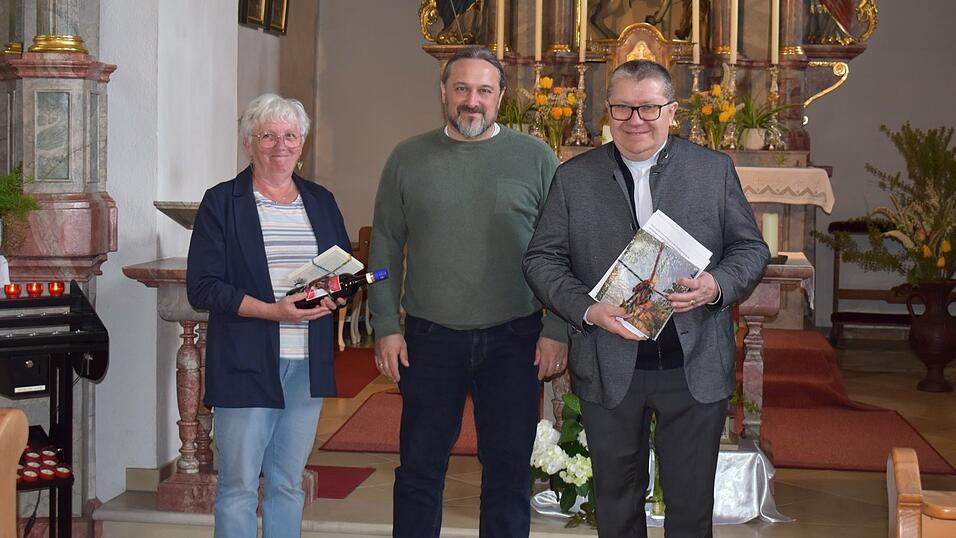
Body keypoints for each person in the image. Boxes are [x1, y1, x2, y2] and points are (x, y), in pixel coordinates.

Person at [523, 60, 769, 538]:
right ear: (607, 112)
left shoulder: (712, 170)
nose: (636, 119)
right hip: (611, 364)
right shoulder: (575, 178)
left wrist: (716, 285)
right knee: (616, 506)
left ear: (672, 111)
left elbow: (750, 248)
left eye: (650, 107)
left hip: (692, 365)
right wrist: (588, 310)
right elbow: (541, 259)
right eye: (623, 108)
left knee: (691, 508)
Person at [368, 46, 569, 538]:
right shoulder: (407, 158)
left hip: (514, 340)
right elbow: (384, 248)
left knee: (507, 472)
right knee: (418, 469)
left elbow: (566, 248)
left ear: (501, 96)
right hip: (429, 341)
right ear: (443, 94)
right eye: (461, 88)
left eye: (483, 90)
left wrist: (558, 326)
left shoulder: (535, 157)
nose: (471, 100)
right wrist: (387, 327)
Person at [186, 93, 350, 538]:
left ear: (302, 143)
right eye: (269, 135)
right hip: (246, 357)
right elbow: (202, 286)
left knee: (288, 483)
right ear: (248, 142)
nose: (281, 145)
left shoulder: (320, 200)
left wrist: (336, 296)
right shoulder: (222, 201)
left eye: (290, 135)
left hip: (306, 362)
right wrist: (272, 312)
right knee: (239, 485)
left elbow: (341, 268)